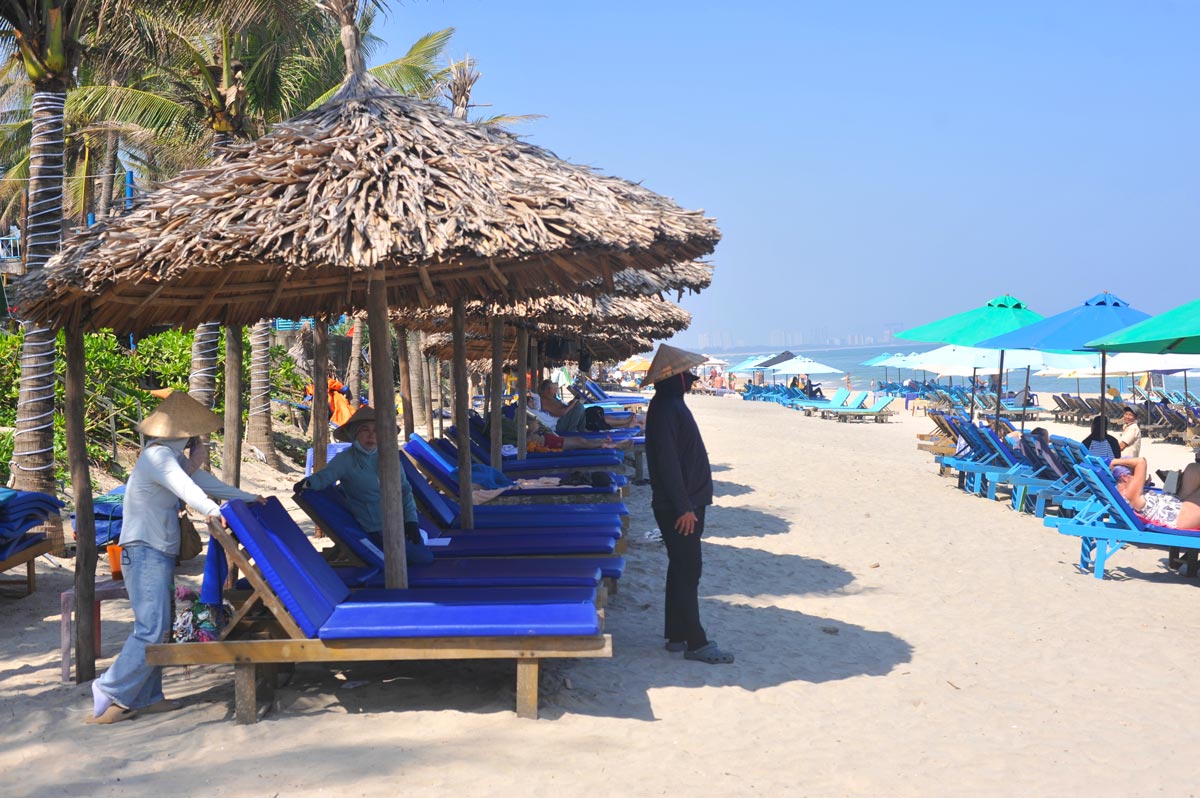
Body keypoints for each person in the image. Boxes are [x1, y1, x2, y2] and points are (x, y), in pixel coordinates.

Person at [90, 392, 265, 724]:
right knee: (151, 628)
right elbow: (191, 492)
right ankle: (109, 688)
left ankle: (149, 696)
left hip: (157, 550)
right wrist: (214, 512)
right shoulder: (157, 458)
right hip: (143, 550)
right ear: (184, 432)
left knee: (160, 626)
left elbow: (208, 484)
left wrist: (250, 498)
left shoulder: (173, 461)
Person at [644, 344, 734, 665]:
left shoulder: (670, 404)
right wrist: (684, 507)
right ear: (673, 378)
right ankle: (696, 642)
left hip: (685, 502)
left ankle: (676, 634)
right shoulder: (667, 407)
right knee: (688, 570)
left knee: (681, 568)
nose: (692, 378)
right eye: (686, 373)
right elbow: (668, 463)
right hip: (679, 506)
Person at [294, 406, 431, 564]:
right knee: (424, 559)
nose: (371, 434)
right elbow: (325, 476)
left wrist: (411, 521)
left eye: (376, 429)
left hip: (398, 523)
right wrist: (307, 483)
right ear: (354, 433)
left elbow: (405, 491)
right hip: (375, 528)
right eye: (365, 429)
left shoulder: (390, 458)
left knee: (424, 554)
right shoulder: (346, 459)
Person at [1111, 457, 1200, 530]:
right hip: (1179, 517)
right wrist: (1115, 461)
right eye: (1135, 473)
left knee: (1193, 468)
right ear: (1124, 477)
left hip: (1175, 504)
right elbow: (1141, 461)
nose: (1139, 477)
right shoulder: (1130, 493)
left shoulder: (1129, 491)